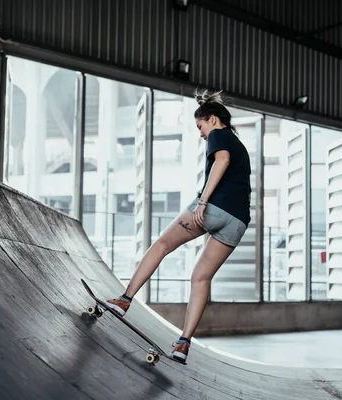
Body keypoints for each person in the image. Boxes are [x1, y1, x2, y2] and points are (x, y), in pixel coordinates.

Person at [107, 89, 252, 363]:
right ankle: (183, 344)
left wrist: (203, 201)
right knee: (201, 277)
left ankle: (125, 300)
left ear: (211, 119)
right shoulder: (239, 145)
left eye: (200, 127)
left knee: (161, 245)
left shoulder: (219, 135)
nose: (201, 134)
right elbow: (245, 191)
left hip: (214, 207)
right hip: (238, 220)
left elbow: (222, 161)